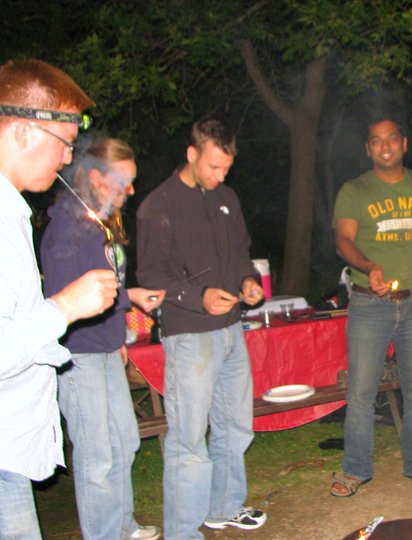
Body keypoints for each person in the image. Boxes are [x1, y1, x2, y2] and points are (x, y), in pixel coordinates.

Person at [0, 59, 118, 538]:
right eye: (65, 145)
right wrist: (64, 307)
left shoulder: (13, 212)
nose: (69, 160)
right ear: (25, 132)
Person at [136, 117, 267, 539]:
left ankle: (224, 506)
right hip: (189, 334)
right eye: (213, 167)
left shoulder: (226, 197)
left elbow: (243, 255)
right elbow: (150, 274)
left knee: (235, 425)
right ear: (192, 155)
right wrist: (198, 298)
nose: (220, 176)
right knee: (189, 439)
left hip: (231, 329)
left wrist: (248, 282)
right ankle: (182, 529)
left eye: (226, 168)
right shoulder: (158, 205)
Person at [40, 136, 165, 540]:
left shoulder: (100, 223)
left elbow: (103, 289)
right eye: (123, 181)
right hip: (79, 358)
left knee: (125, 443)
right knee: (97, 458)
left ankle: (123, 525)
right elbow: (63, 301)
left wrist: (126, 310)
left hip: (109, 349)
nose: (130, 191)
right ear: (95, 177)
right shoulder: (67, 229)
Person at [330, 116, 412, 497]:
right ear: (368, 149)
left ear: (405, 143)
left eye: (391, 139)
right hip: (370, 304)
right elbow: (343, 240)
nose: (384, 146)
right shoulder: (354, 190)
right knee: (361, 392)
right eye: (376, 141)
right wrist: (368, 267)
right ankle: (355, 470)